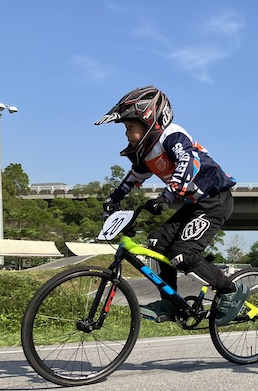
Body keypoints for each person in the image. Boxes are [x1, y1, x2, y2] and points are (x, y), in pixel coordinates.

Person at [95, 85, 249, 325]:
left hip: (215, 201)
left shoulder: (172, 136)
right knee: (156, 243)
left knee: (181, 254)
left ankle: (230, 291)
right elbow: (134, 178)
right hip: (194, 204)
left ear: (149, 121)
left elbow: (189, 163)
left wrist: (166, 197)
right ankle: (170, 302)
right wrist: (114, 198)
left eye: (130, 127)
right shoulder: (145, 153)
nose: (126, 134)